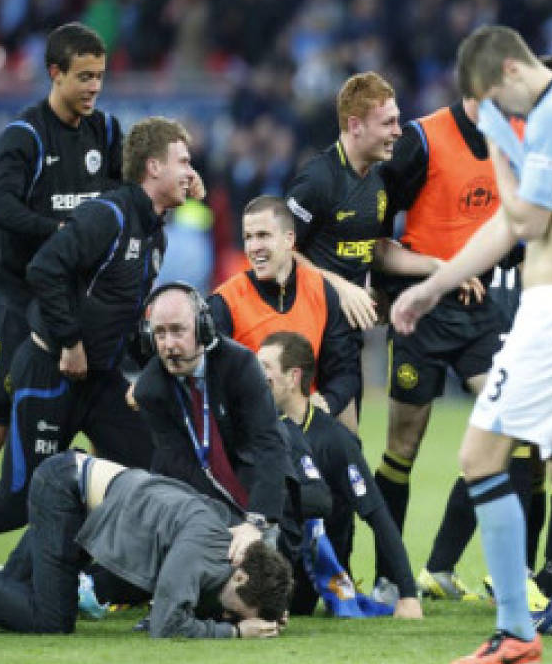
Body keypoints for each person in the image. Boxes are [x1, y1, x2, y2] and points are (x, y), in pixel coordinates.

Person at [392, 25, 552, 664]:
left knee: (477, 457)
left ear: (504, 77)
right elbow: (508, 224)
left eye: (487, 100)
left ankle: (513, 632)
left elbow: (523, 222)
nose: (492, 114)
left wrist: (495, 140)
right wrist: (434, 286)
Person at [0, 116, 196, 552]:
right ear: (153, 167)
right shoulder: (109, 214)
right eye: (183, 160)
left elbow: (117, 312)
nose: (192, 172)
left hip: (99, 381)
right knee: (19, 501)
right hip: (52, 369)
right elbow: (45, 268)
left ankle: (100, 581)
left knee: (153, 472)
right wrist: (70, 340)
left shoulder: (154, 231)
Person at [0, 22, 123, 512]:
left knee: (97, 436)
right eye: (84, 77)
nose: (94, 88)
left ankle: (87, 566)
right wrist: (61, 231)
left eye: (100, 76)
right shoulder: (24, 135)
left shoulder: (105, 131)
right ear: (54, 73)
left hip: (75, 308)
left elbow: (122, 197)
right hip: (18, 304)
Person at [371, 84, 514, 599]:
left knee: (510, 422)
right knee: (402, 448)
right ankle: (390, 576)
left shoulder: (513, 139)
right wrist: (388, 286)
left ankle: (451, 566)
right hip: (422, 310)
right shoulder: (422, 140)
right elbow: (377, 216)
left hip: (480, 310)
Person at [0, 452, 291, 638]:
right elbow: (166, 623)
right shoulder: (203, 546)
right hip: (65, 493)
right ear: (240, 576)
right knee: (51, 620)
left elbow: (205, 596)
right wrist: (236, 633)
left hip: (81, 504)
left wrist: (268, 613)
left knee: (14, 592)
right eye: (243, 610)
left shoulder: (224, 549)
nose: (237, 616)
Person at [284, 72, 440, 432]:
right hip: (307, 336)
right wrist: (341, 286)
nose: (398, 132)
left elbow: (376, 249)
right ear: (355, 125)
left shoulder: (377, 182)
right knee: (332, 454)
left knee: (344, 452)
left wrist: (441, 267)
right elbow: (280, 251)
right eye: (388, 123)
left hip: (346, 337)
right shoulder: (317, 180)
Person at [257, 330, 421, 619]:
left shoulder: (333, 440)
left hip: (299, 579)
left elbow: (377, 515)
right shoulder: (254, 425)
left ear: (293, 377)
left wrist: (407, 595)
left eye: (266, 368)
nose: (257, 376)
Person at [133, 283, 291, 566]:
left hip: (263, 502)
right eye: (159, 333)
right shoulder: (149, 388)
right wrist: (218, 528)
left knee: (280, 591)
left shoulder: (240, 364)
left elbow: (269, 445)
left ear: (203, 328)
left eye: (178, 330)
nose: (169, 345)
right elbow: (179, 467)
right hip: (208, 508)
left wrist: (255, 522)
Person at [208, 196, 360, 420]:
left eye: (263, 236)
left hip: (308, 420)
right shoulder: (225, 302)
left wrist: (327, 403)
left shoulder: (322, 291)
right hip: (252, 425)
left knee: (348, 427)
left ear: (289, 240)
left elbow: (344, 371)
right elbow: (214, 381)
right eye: (248, 238)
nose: (253, 247)